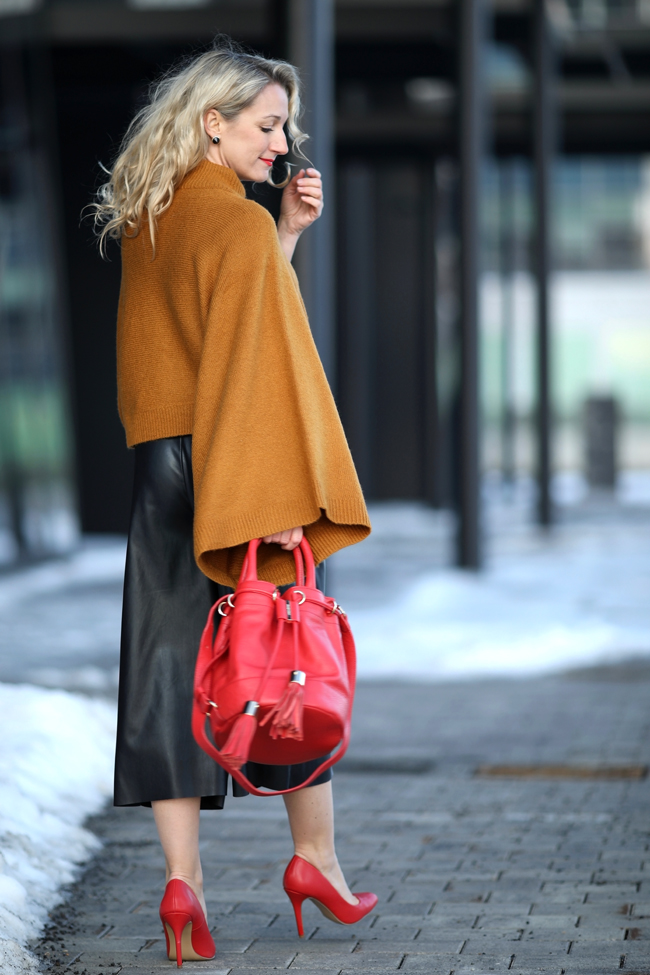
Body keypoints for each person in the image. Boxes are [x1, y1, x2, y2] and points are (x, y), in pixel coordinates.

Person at [92, 40, 377, 966]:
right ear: (213, 123)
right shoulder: (238, 225)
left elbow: (217, 327)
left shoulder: (154, 213)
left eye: (284, 127)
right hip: (237, 453)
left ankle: (183, 885)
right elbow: (257, 365)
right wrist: (277, 492)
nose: (282, 144)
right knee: (286, 652)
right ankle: (315, 858)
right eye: (267, 125)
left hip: (160, 464)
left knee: (166, 665)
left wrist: (282, 235)